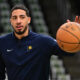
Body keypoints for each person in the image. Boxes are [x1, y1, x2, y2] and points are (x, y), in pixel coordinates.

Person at [0, 4, 80, 80]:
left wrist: (76, 36)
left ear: (28, 20)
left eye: (22, 17)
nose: (18, 21)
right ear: (10, 21)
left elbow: (69, 52)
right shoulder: (2, 42)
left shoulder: (43, 42)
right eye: (14, 18)